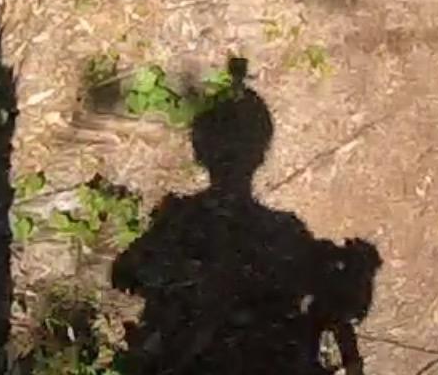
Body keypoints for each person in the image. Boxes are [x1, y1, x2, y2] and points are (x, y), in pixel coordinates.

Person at [112, 59, 380, 375]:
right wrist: (357, 268)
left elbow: (125, 275)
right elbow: (342, 305)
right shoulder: (283, 233)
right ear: (262, 155)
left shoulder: (181, 220)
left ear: (198, 153)